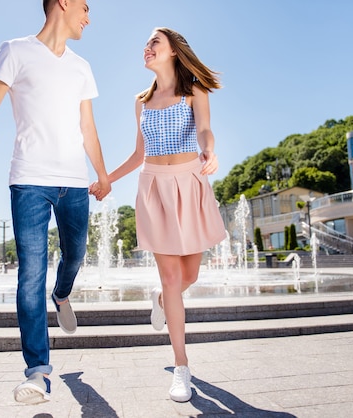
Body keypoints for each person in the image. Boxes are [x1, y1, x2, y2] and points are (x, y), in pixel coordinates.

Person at [0, 0, 110, 405]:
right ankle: (38, 372)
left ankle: (63, 293)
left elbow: (87, 127)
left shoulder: (81, 67)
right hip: (28, 181)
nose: (89, 17)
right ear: (64, 3)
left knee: (76, 255)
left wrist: (103, 174)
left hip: (74, 182)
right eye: (86, 7)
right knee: (29, 273)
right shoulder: (14, 51)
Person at [92, 27, 226, 402]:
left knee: (190, 275)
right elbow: (139, 154)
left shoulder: (194, 90)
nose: (147, 48)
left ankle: (162, 300)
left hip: (190, 182)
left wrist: (209, 152)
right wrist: (107, 179)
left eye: (155, 42)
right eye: (147, 43)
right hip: (154, 186)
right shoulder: (141, 102)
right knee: (171, 277)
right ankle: (181, 367)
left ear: (172, 51)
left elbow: (205, 130)